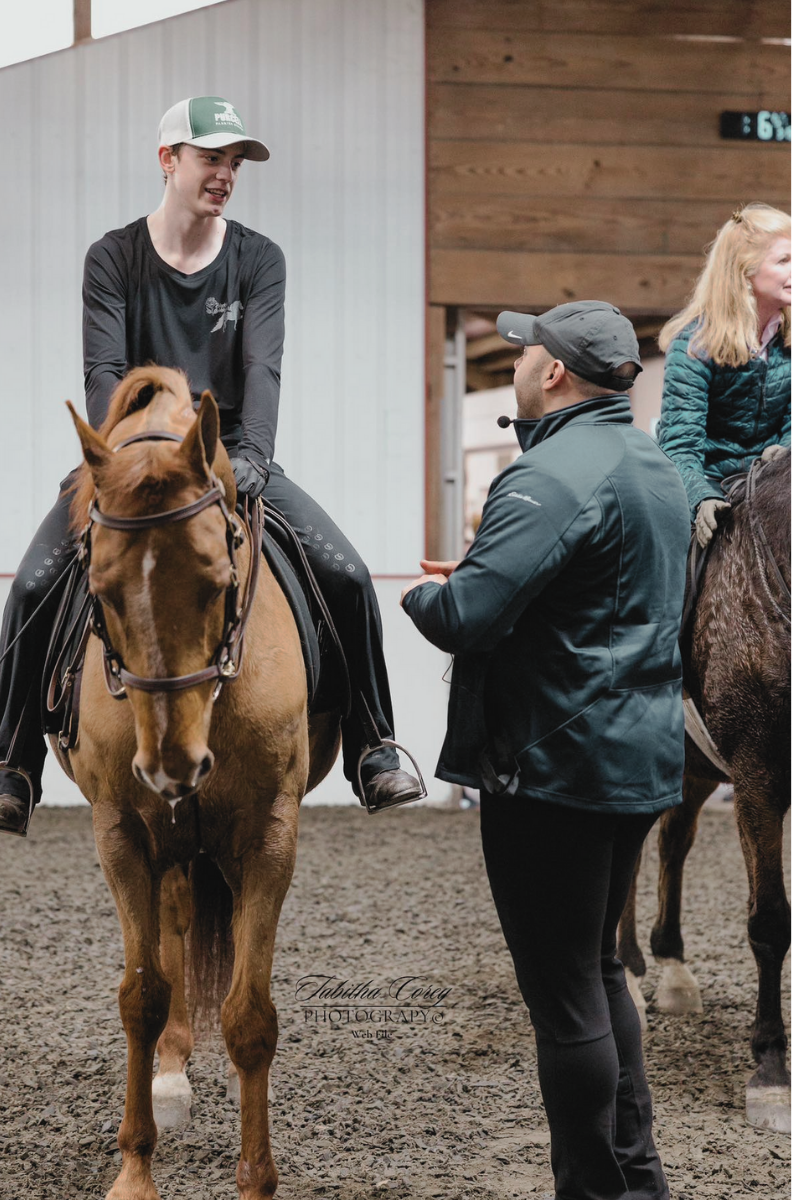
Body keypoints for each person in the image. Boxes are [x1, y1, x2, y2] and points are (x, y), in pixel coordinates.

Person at [0, 95, 422, 833]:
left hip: (229, 461)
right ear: (168, 160)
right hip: (128, 464)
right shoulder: (113, 258)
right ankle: (11, 762)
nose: (226, 175)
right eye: (212, 159)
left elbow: (263, 371)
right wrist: (122, 463)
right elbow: (105, 376)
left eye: (234, 163)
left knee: (348, 575)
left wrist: (250, 460)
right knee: (32, 585)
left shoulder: (258, 259)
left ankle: (373, 746)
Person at [401, 301, 689, 1200]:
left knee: (565, 999)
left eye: (529, 351)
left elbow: (467, 617)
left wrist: (424, 594)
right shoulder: (657, 465)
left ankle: (595, 1191)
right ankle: (637, 1181)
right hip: (639, 759)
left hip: (556, 770)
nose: (519, 360)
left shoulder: (549, 477)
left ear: (554, 373)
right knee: (600, 970)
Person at [657, 202, 791, 548]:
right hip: (712, 487)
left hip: (773, 489)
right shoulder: (694, 343)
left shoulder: (789, 337)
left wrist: (784, 453)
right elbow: (679, 445)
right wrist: (700, 498)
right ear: (745, 270)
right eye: (784, 261)